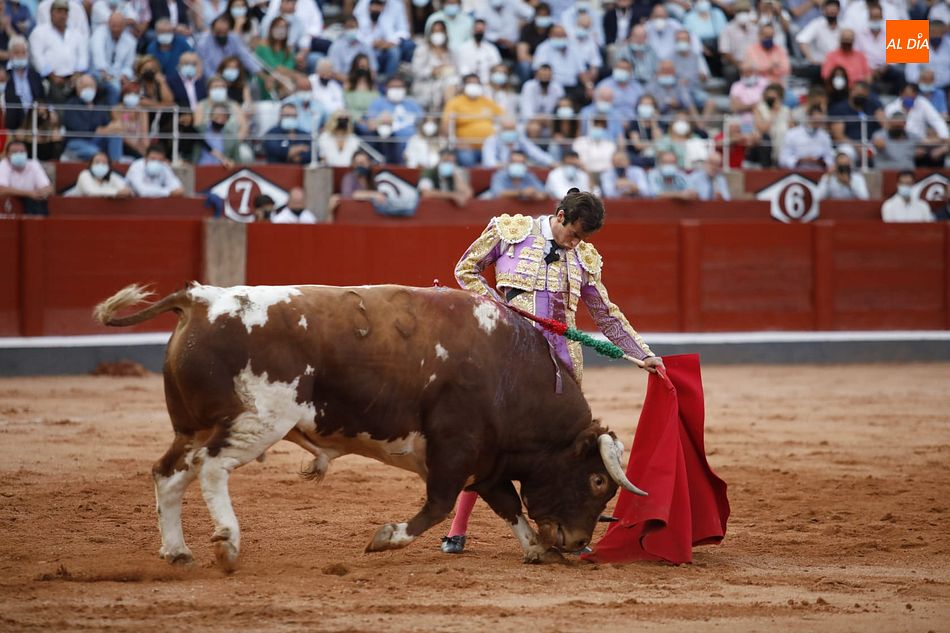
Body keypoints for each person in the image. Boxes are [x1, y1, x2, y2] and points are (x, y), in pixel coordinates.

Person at [443, 189, 664, 554]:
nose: (576, 243)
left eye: (583, 238)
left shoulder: (585, 257)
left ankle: (566, 523)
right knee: (489, 446)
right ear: (560, 216)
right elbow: (465, 269)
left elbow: (606, 314)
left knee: (562, 452)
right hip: (509, 357)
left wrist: (643, 354)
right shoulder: (510, 230)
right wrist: (498, 308)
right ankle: (457, 528)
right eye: (574, 234)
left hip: (561, 367)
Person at [441, 74, 504, 167]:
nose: (473, 86)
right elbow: (445, 126)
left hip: (489, 146)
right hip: (465, 147)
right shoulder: (455, 102)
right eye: (470, 83)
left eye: (476, 83)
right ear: (463, 86)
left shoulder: (487, 101)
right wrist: (456, 143)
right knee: (467, 161)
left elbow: (505, 119)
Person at [0, 140, 52, 215]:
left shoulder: (33, 164)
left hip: (33, 203)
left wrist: (42, 193)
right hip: (9, 206)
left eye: (22, 152)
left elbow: (48, 187)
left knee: (38, 202)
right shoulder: (3, 165)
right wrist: (29, 193)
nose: (19, 154)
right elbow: (2, 189)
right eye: (14, 152)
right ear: (7, 155)